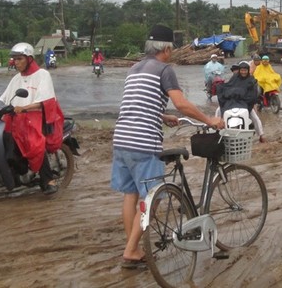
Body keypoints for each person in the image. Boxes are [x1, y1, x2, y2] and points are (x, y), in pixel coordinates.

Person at [111, 25, 225, 269]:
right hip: (143, 142)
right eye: (172, 47)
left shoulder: (135, 69)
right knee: (152, 199)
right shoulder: (164, 69)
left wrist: (162, 115)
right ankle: (131, 250)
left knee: (130, 195)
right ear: (166, 48)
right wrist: (210, 120)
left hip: (121, 140)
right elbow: (182, 104)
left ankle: (134, 246)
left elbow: (137, 103)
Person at [0, 42, 63, 195]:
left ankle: (49, 180)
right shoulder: (16, 79)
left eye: (19, 59)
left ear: (29, 59)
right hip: (19, 118)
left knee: (34, 143)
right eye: (14, 59)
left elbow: (45, 102)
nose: (16, 63)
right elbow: (4, 99)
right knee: (4, 137)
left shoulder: (42, 75)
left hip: (39, 117)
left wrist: (24, 108)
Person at [216, 61, 266, 143]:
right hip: (231, 102)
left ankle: (261, 135)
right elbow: (228, 86)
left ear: (248, 70)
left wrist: (246, 100)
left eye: (245, 70)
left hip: (245, 103)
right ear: (239, 70)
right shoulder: (235, 77)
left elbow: (253, 94)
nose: (243, 72)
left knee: (255, 118)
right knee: (218, 110)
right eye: (242, 70)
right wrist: (222, 89)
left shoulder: (251, 80)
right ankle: (217, 131)